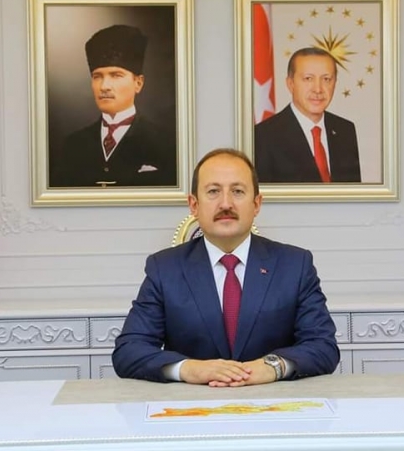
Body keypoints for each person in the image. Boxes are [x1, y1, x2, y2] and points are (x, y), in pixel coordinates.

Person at [112, 148, 339, 386]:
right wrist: (189, 369)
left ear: (257, 204)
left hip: (273, 401)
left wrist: (273, 367)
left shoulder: (295, 265)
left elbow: (323, 346)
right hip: (192, 403)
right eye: (213, 191)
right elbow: (129, 351)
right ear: (193, 205)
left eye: (237, 191)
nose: (226, 203)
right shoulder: (164, 269)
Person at [51, 24, 176, 188]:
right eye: (97, 76)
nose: (104, 86)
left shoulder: (165, 143)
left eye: (116, 75)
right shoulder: (73, 145)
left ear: (138, 83)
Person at [254, 47, 361, 183]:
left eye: (326, 79)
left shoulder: (345, 130)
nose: (318, 89)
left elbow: (354, 193)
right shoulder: (263, 136)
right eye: (308, 78)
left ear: (335, 83)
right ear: (290, 84)